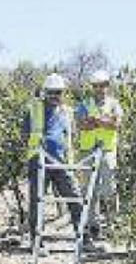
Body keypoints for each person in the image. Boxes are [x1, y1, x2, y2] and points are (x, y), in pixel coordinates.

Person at [22, 73, 83, 251]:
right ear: (45, 92)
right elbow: (24, 134)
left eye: (58, 92)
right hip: (39, 162)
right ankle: (36, 242)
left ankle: (83, 238)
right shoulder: (34, 109)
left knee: (75, 198)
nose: (55, 96)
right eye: (52, 92)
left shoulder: (67, 111)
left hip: (62, 162)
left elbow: (70, 136)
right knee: (37, 201)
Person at [76, 69, 123, 239]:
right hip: (87, 150)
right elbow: (81, 124)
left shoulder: (114, 104)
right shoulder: (84, 103)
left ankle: (112, 224)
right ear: (92, 87)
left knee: (109, 189)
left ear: (107, 86)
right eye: (96, 86)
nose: (99, 89)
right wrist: (103, 121)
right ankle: (92, 225)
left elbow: (116, 124)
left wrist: (96, 121)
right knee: (89, 190)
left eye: (102, 85)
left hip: (107, 151)